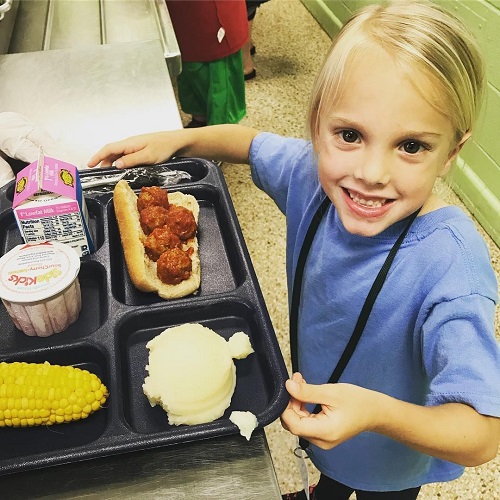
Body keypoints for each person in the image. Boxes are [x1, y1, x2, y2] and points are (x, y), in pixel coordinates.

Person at [88, 1, 500, 498]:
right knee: (329, 476)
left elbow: (481, 432)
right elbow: (248, 143)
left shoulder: (451, 267)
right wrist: (178, 139)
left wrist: (375, 413)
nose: (372, 173)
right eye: (350, 135)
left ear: (452, 151)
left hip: (389, 458)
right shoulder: (311, 176)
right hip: (325, 427)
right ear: (316, 124)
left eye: (411, 146)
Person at [166, 0, 248, 128]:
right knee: (191, 71)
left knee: (219, 84)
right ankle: (200, 122)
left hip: (213, 18)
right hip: (184, 15)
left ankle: (221, 139)